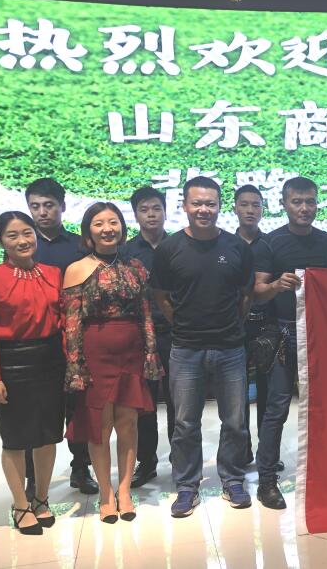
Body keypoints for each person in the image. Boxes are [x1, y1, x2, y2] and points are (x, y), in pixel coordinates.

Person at [152, 176, 255, 517]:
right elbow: (162, 297)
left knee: (235, 421)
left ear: (219, 206)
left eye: (210, 203)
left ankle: (233, 479)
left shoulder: (236, 247)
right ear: (184, 205)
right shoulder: (169, 248)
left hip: (230, 348)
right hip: (186, 348)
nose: (203, 209)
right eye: (197, 203)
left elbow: (245, 297)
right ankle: (187, 486)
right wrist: (183, 323)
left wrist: (231, 326)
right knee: (185, 423)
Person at [63, 202, 163, 523]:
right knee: (100, 426)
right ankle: (105, 493)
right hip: (95, 354)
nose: (107, 228)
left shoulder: (135, 267)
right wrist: (75, 366)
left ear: (121, 227)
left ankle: (124, 491)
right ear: (88, 232)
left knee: (128, 424)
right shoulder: (77, 269)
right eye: (99, 223)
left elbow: (146, 314)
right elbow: (71, 323)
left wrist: (151, 354)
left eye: (113, 222)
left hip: (131, 352)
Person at [0, 212, 64, 535]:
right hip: (12, 364)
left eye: (27, 233)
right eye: (13, 236)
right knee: (15, 438)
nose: (23, 240)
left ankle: (41, 498)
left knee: (48, 435)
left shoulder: (53, 274)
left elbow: (63, 321)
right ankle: (20, 504)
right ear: (1, 242)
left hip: (51, 361)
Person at [252, 177, 327, 509]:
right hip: (282, 336)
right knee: (276, 409)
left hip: (318, 336)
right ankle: (266, 481)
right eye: (297, 201)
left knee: (323, 408)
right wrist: (277, 285)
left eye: (310, 201)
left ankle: (325, 474)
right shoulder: (270, 243)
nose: (304, 208)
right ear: (284, 204)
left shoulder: (326, 242)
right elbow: (257, 292)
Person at [24, 178, 98, 495]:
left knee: (78, 407)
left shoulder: (79, 246)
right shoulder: (26, 247)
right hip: (39, 340)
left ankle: (81, 469)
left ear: (62, 207)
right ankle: (33, 478)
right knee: (37, 411)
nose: (42, 212)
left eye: (49, 205)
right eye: (35, 206)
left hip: (78, 338)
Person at [123, 186, 174, 489]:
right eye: (144, 210)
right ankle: (147, 462)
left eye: (156, 208)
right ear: (136, 214)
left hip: (175, 333)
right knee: (145, 404)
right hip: (141, 337)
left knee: (179, 401)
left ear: (165, 211)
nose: (151, 215)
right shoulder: (127, 251)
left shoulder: (180, 245)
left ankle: (180, 458)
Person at [234, 184, 273, 466]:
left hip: (267, 326)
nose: (250, 210)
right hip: (233, 328)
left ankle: (266, 453)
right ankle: (242, 450)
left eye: (256, 205)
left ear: (263, 209)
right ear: (235, 208)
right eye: (244, 204)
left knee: (267, 393)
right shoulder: (224, 243)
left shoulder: (271, 244)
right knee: (236, 394)